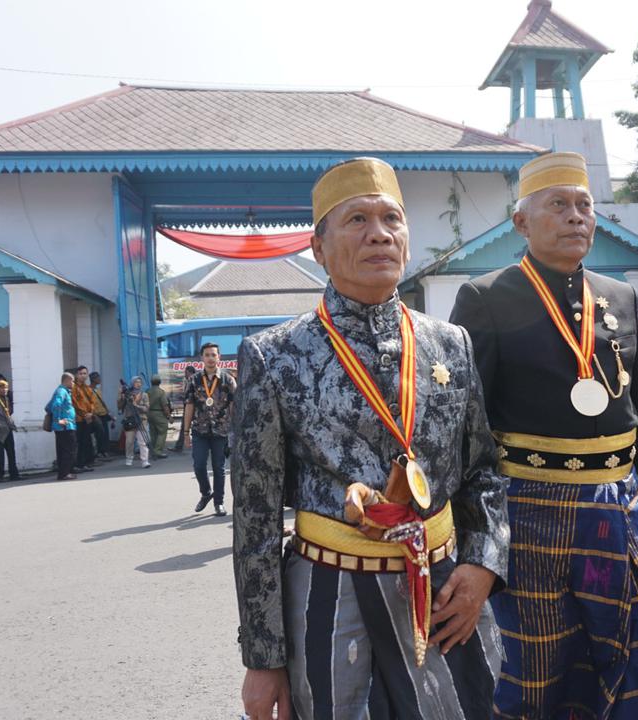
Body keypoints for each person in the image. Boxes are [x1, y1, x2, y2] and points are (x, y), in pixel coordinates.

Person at [232, 157, 507, 720]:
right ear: (319, 247)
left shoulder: (450, 343)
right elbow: (255, 520)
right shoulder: (275, 356)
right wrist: (263, 659)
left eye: (392, 219)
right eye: (356, 219)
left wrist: (482, 565)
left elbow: (483, 470)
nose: (379, 233)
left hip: (443, 588)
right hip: (330, 592)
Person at [450, 151, 638, 719]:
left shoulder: (621, 296)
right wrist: (473, 540)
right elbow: (468, 431)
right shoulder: (486, 297)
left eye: (584, 205)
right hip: (530, 509)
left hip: (623, 504)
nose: (576, 217)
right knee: (537, 671)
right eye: (557, 205)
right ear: (521, 222)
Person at [183, 342, 235, 516]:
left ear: (219, 357)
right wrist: (185, 433)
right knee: (198, 465)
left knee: (219, 468)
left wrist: (235, 430)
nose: (211, 358)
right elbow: (189, 406)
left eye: (214, 354)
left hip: (221, 431)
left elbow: (234, 406)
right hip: (200, 430)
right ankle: (206, 493)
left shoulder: (228, 379)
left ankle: (219, 503)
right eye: (207, 355)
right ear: (202, 358)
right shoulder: (194, 380)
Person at [47, 372, 78, 481]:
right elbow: (55, 405)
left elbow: (48, 407)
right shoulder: (62, 391)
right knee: (69, 450)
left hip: (65, 426)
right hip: (65, 426)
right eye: (73, 381)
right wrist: (59, 419)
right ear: (68, 380)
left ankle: (65, 472)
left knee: (63, 450)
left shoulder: (63, 391)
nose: (74, 383)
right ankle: (65, 473)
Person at [117, 376, 151, 468]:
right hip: (130, 420)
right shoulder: (127, 394)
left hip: (141, 420)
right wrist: (121, 396)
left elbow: (147, 408)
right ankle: (129, 457)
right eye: (136, 382)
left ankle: (145, 461)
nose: (138, 384)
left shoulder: (144, 395)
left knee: (143, 442)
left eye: (140, 382)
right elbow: (119, 407)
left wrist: (137, 406)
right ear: (132, 383)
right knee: (129, 441)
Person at [71, 366, 98, 472]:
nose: (83, 375)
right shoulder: (74, 387)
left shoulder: (87, 388)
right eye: (81, 373)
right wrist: (84, 414)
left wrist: (90, 413)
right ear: (77, 375)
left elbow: (93, 402)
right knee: (78, 442)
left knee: (86, 441)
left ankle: (84, 463)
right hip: (78, 419)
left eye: (85, 373)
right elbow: (75, 403)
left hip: (88, 418)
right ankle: (77, 464)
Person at [145, 374, 171, 459]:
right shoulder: (161, 392)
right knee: (162, 432)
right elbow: (165, 406)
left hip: (149, 414)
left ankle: (152, 451)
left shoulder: (147, 391)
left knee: (153, 433)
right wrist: (169, 416)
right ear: (160, 382)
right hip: (159, 414)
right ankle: (158, 451)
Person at [89, 371, 114, 458]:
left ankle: (104, 451)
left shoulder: (98, 390)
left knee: (105, 434)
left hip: (103, 414)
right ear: (93, 379)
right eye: (98, 378)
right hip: (96, 415)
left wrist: (108, 412)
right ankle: (99, 452)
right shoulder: (89, 390)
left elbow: (101, 402)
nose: (100, 379)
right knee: (99, 434)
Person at [172, 364, 195, 452]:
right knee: (184, 427)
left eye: (186, 372)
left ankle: (179, 446)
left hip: (192, 407)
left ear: (190, 372)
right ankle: (179, 446)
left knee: (186, 426)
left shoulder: (194, 381)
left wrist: (185, 397)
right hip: (188, 405)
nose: (185, 374)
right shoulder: (187, 380)